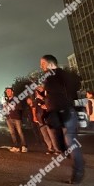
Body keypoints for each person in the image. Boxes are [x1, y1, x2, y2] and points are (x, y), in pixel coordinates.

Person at [40, 54, 84, 184]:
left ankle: (78, 172)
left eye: (42, 63)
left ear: (50, 63)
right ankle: (77, 160)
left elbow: (73, 83)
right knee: (63, 145)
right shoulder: (54, 76)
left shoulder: (56, 75)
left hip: (64, 113)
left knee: (70, 143)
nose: (40, 66)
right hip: (59, 114)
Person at [3, 88, 27, 152]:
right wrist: (5, 108)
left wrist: (11, 106)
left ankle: (24, 146)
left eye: (8, 91)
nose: (7, 92)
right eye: (6, 92)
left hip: (16, 118)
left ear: (12, 92)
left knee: (20, 132)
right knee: (12, 133)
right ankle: (16, 146)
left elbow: (20, 108)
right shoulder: (7, 101)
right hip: (9, 118)